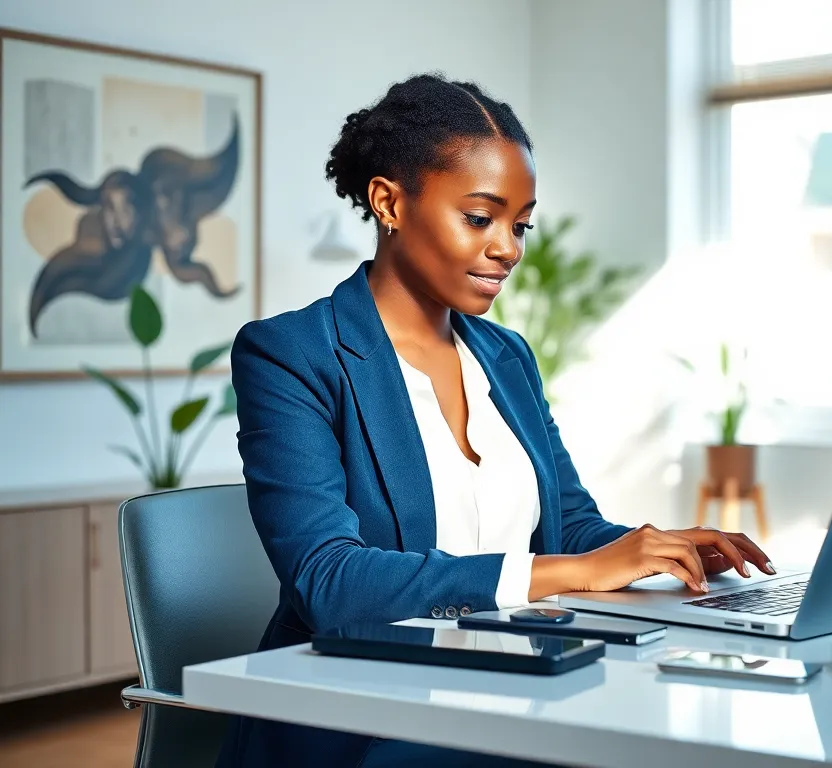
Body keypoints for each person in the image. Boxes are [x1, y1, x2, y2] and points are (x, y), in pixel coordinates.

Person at [215, 73, 774, 767]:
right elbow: (331, 582)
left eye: (520, 224)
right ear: (389, 202)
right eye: (480, 218)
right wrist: (569, 569)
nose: (508, 247)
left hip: (511, 686)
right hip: (367, 715)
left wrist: (658, 550)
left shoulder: (505, 356)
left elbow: (567, 527)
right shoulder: (294, 354)